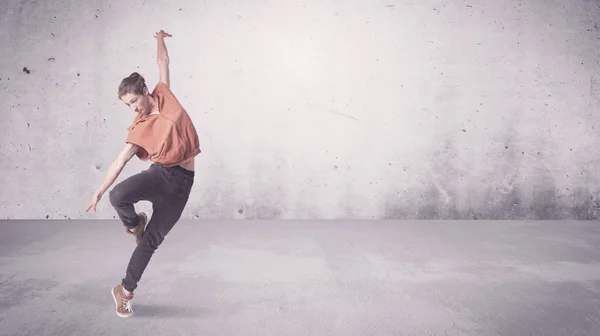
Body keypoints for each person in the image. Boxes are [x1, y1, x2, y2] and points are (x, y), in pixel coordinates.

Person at [84, 29, 201, 318]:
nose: (132, 108)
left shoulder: (164, 93)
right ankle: (134, 223)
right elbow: (120, 161)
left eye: (134, 102)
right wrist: (98, 191)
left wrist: (159, 38)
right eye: (127, 105)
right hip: (161, 174)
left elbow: (163, 62)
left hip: (183, 184)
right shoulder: (138, 129)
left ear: (145, 92)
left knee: (151, 242)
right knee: (118, 195)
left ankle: (124, 291)